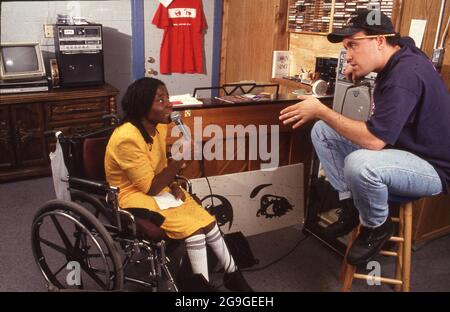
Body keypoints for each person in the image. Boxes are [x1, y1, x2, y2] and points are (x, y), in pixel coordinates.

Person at [279, 9, 450, 265]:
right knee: (323, 132)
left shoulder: (405, 75)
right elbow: (406, 42)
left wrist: (321, 110)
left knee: (359, 162)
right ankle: (351, 206)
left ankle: (376, 227)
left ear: (380, 40)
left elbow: (373, 141)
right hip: (402, 150)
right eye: (347, 47)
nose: (348, 55)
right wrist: (362, 70)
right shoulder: (401, 51)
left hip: (432, 168)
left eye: (353, 46)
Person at [104, 77, 253, 291]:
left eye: (168, 97)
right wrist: (179, 160)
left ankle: (234, 277)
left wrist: (174, 183)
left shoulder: (158, 128)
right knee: (193, 229)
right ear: (142, 107)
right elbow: (150, 187)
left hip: (155, 189)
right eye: (160, 100)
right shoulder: (126, 137)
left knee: (207, 220)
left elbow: (160, 167)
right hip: (131, 196)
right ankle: (201, 288)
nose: (169, 104)